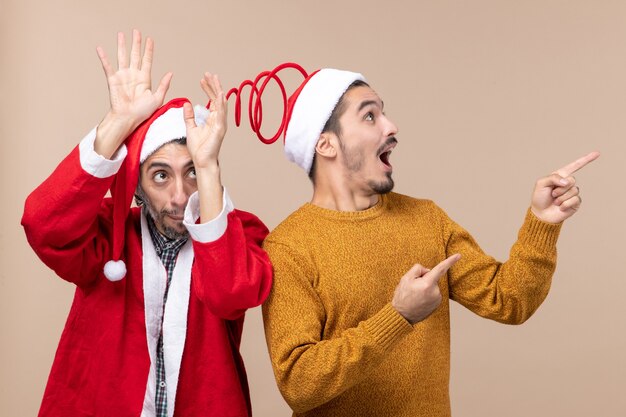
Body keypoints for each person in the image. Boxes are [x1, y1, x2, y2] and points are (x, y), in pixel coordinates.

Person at [254, 66, 599, 416]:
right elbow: (298, 383)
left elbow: (509, 300)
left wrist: (542, 223)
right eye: (370, 116)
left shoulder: (426, 220)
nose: (391, 126)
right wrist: (398, 316)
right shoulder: (289, 247)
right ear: (325, 143)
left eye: (383, 113)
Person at [21, 30, 272, 417]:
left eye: (191, 173)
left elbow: (230, 293)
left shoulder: (242, 233)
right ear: (136, 184)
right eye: (160, 176)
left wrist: (208, 168)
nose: (178, 196)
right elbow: (43, 225)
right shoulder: (105, 236)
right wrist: (117, 123)